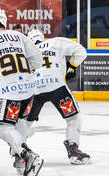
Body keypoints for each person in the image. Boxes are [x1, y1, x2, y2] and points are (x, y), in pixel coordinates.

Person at [0, 8, 44, 176]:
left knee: (3, 127)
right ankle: (19, 161)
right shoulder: (20, 36)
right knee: (20, 123)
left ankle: (27, 155)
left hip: (9, 91)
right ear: (5, 23)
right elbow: (38, 60)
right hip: (29, 90)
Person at [22, 29, 91, 165]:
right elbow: (81, 51)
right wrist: (71, 66)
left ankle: (19, 152)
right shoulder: (56, 42)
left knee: (25, 123)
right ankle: (73, 149)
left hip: (34, 89)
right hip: (56, 87)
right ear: (43, 37)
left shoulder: (26, 54)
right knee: (73, 118)